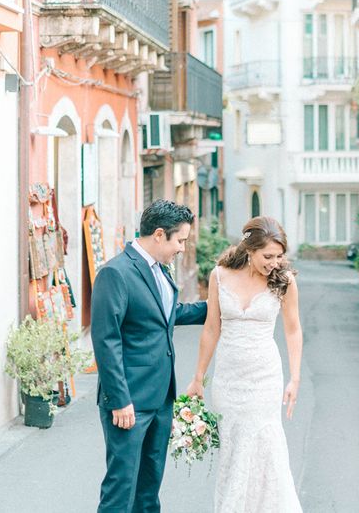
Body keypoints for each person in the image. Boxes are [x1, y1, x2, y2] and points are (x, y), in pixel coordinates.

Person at [91, 200, 207, 513]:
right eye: (180, 240)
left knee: (148, 490)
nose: (182, 248)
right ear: (159, 235)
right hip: (128, 402)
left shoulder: (159, 271)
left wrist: (220, 308)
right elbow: (106, 339)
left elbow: (168, 315)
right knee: (121, 488)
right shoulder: (115, 273)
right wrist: (119, 400)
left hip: (160, 400)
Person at [186, 216, 304, 512]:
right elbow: (212, 328)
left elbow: (293, 329)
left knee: (266, 449)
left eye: (279, 256)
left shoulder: (284, 281)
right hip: (229, 380)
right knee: (234, 451)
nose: (274, 263)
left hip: (265, 378)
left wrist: (295, 378)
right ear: (249, 250)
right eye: (267, 256)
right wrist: (198, 376)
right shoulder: (219, 275)